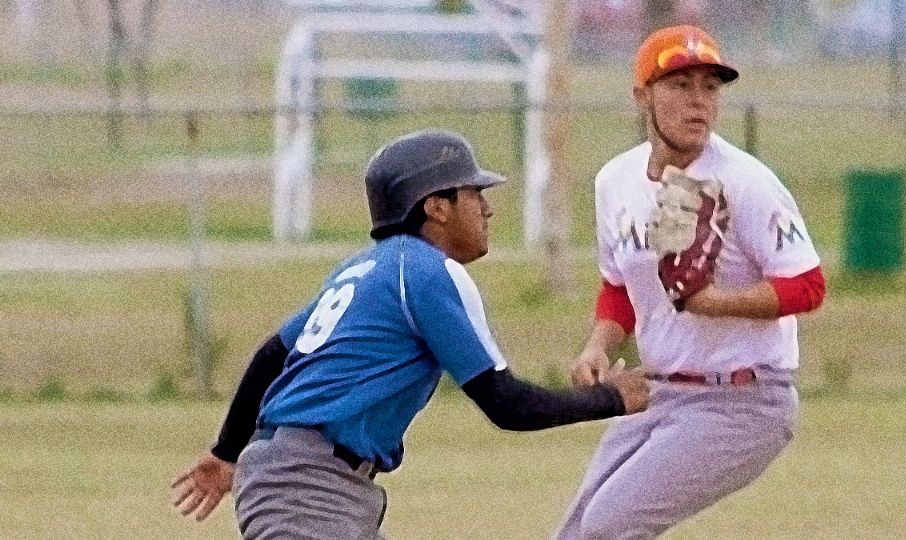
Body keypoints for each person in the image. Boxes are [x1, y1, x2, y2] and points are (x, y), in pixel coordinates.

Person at [170, 129, 651, 539]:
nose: (488, 209)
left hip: (308, 478)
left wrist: (226, 452)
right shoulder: (425, 273)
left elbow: (271, 357)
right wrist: (610, 400)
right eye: (474, 193)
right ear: (437, 207)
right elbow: (506, 404)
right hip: (307, 486)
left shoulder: (368, 267)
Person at [554, 26, 827, 539]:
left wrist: (713, 302)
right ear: (643, 97)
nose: (699, 102)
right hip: (656, 392)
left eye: (710, 87)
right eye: (680, 85)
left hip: (743, 401)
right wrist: (598, 345)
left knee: (606, 530)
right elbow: (619, 284)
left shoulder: (746, 181)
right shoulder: (615, 181)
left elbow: (807, 286)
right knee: (574, 535)